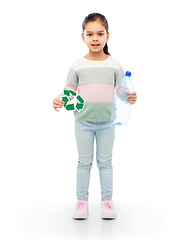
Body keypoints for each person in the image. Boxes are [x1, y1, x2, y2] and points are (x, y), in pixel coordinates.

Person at [53, 13, 137, 220]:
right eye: (90, 34)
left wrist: (130, 97)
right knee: (84, 163)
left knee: (105, 163)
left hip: (107, 122)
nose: (95, 39)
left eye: (100, 34)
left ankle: (107, 202)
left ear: (108, 35)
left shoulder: (115, 65)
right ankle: (81, 202)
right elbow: (69, 90)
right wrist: (59, 99)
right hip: (82, 121)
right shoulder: (77, 65)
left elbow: (121, 92)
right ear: (83, 37)